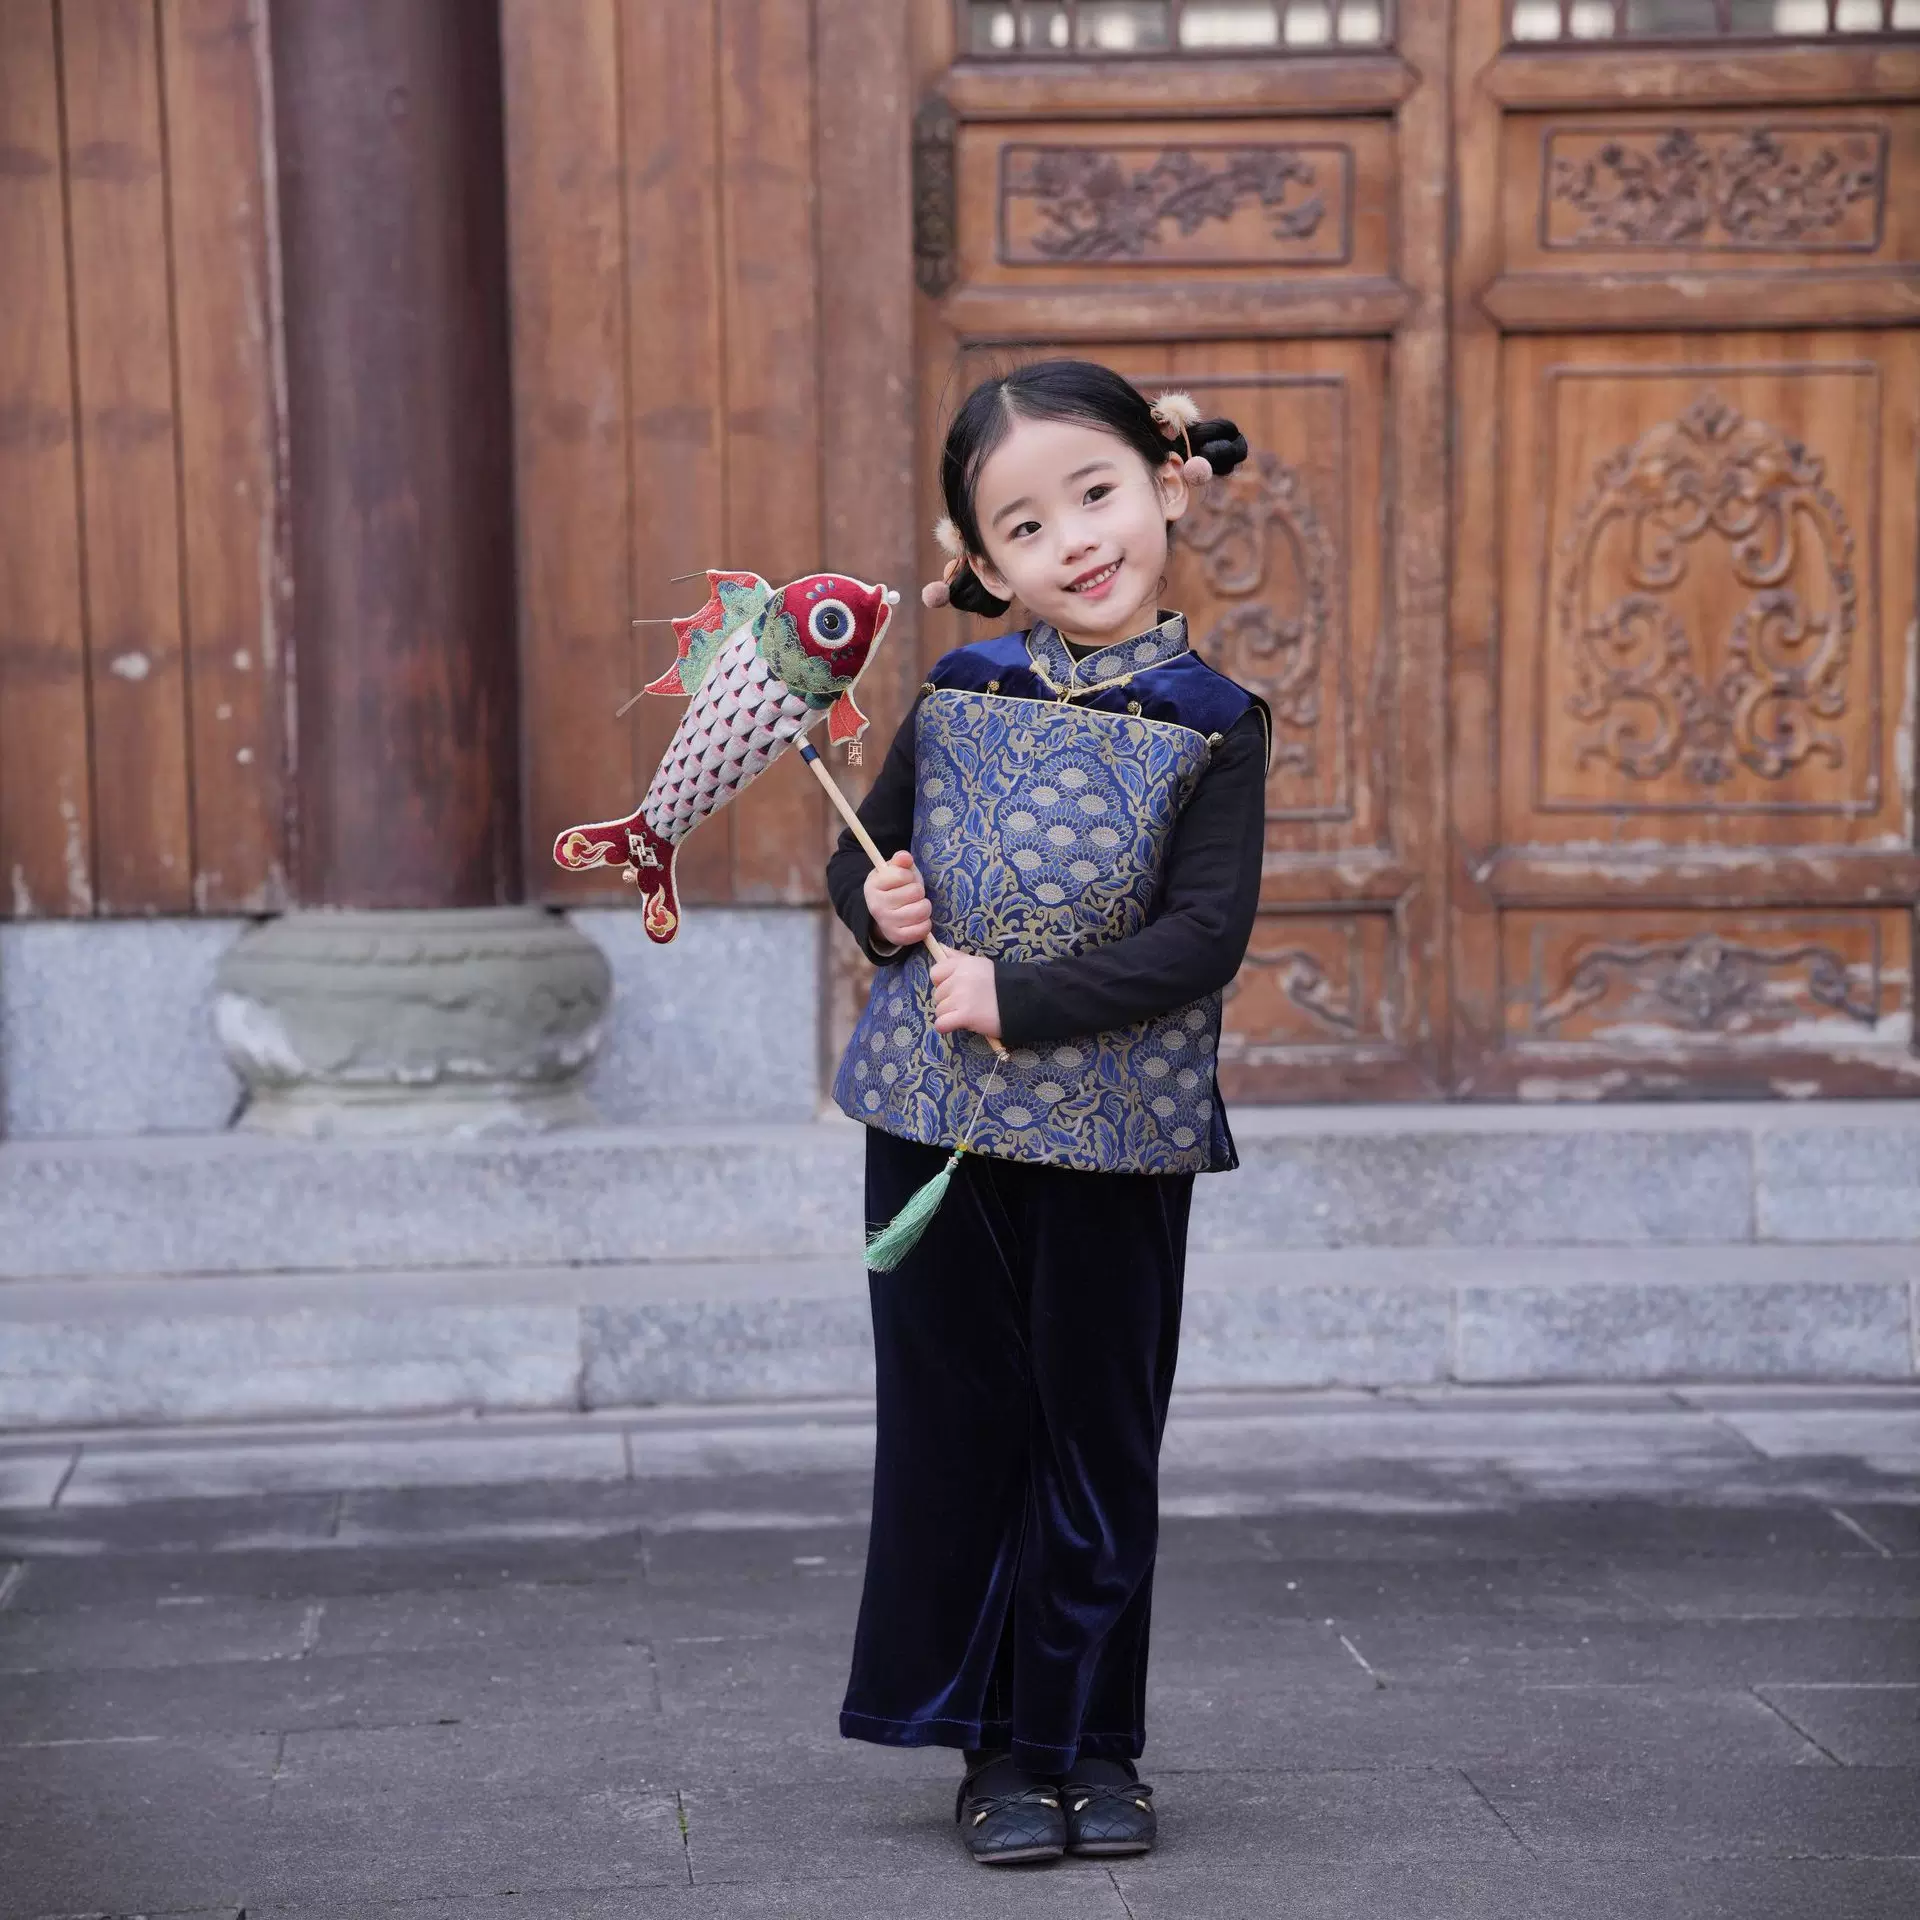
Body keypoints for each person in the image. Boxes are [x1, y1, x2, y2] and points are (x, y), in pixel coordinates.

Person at [824, 359, 1271, 1867]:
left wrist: (1017, 996)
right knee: (962, 1435)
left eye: (1094, 494)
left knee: (1095, 1440)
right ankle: (994, 1751)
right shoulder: (957, 693)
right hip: (932, 1119)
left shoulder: (1215, 719)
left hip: (1117, 1135)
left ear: (1166, 482)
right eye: (1024, 525)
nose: (1074, 540)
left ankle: (1096, 1743)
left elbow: (1202, 937)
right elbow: (864, 864)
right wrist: (876, 903)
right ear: (978, 563)